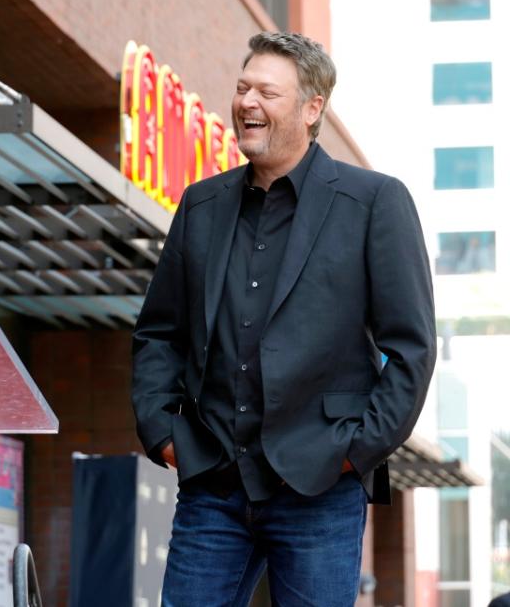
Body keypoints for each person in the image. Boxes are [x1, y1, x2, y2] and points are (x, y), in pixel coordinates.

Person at [131, 32, 435, 606]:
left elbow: (412, 349)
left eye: (267, 92)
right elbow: (158, 333)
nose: (247, 102)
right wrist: (164, 435)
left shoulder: (375, 202)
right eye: (242, 87)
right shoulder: (200, 205)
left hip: (321, 487)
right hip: (212, 481)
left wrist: (356, 450)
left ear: (311, 107)